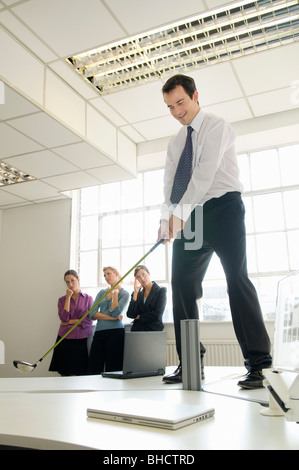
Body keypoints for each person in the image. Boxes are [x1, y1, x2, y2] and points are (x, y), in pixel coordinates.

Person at [157, 74, 272, 389]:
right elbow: (170, 185)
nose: (177, 111)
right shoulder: (175, 142)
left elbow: (205, 174)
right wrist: (165, 219)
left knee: (237, 278)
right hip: (191, 217)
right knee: (181, 284)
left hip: (224, 209)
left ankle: (260, 365)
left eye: (180, 102)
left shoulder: (218, 127)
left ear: (195, 96)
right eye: (170, 107)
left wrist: (179, 214)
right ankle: (191, 361)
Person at [49, 270, 93, 376]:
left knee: (77, 373)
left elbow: (89, 320)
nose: (70, 284)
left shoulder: (88, 298)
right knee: (63, 372)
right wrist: (68, 297)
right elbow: (64, 318)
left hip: (80, 339)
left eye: (72, 280)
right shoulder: (62, 300)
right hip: (64, 337)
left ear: (78, 279)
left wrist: (71, 321)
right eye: (67, 282)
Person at [88, 266, 130, 375]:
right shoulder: (101, 293)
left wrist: (115, 294)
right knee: (94, 367)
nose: (106, 277)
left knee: (114, 367)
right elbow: (92, 314)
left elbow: (115, 312)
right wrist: (112, 318)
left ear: (116, 274)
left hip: (116, 333)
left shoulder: (124, 294)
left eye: (108, 274)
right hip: (99, 333)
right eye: (104, 275)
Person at [126, 265, 166, 331]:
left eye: (143, 274)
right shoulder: (136, 293)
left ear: (149, 273)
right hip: (137, 330)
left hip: (153, 329)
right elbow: (130, 314)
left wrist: (140, 317)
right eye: (138, 277)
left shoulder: (161, 291)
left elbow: (157, 314)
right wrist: (135, 293)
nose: (142, 278)